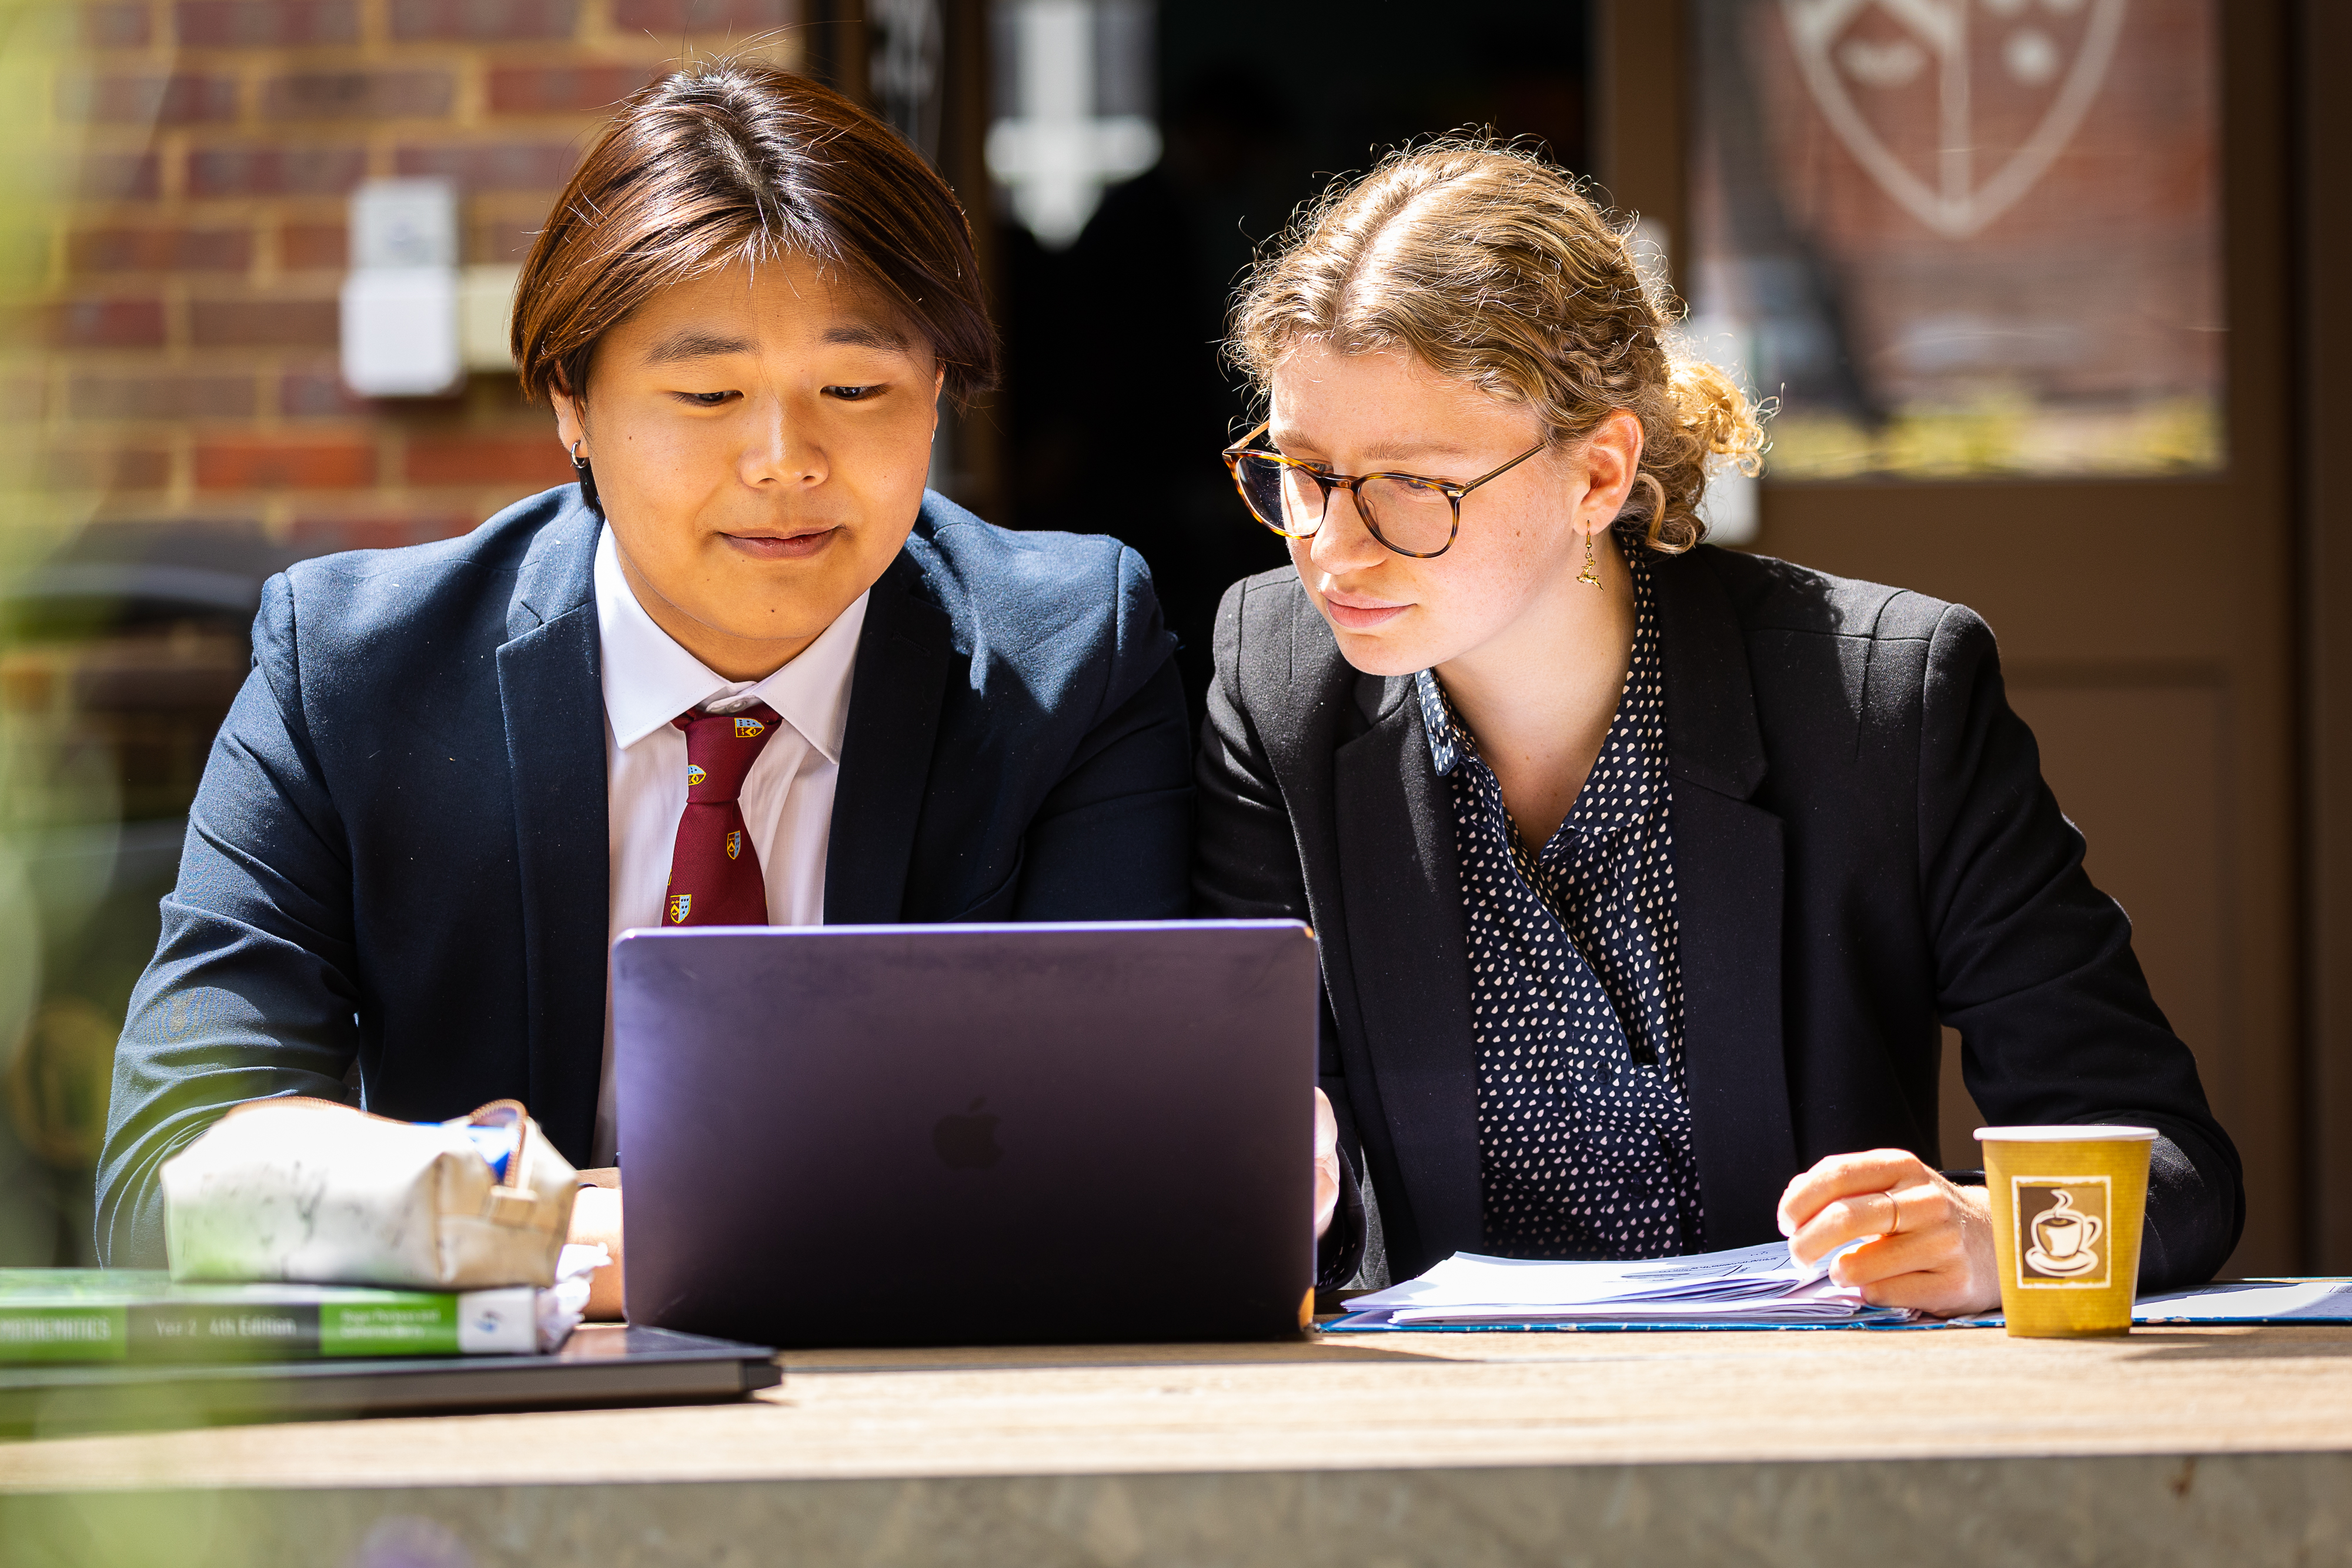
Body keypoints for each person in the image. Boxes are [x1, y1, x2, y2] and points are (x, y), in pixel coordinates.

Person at [96, 65, 1194, 1293]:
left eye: (854, 389)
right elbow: (173, 1172)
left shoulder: (1070, 656)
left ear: (936, 389)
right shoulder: (355, 673)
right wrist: (518, 1220)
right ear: (571, 398)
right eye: (707, 394)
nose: (784, 461)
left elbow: (1124, 1149)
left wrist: (666, 1233)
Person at [1196, 141, 2242, 1315]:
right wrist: (1278, 1173)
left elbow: (2167, 1162)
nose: (1330, 544)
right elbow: (1259, 1145)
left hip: (1802, 1426)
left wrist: (1992, 1236)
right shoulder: (1274, 685)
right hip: (1434, 1426)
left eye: (1410, 484)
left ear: (1597, 475)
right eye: (1300, 469)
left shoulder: (1881, 699)